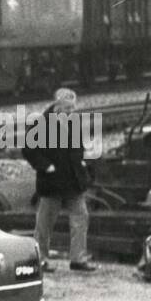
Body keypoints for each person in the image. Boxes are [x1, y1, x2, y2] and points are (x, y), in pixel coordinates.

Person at [21, 87, 97, 272]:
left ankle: (78, 259)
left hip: (73, 181)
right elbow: (28, 149)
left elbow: (78, 147)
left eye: (73, 108)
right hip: (52, 181)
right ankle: (41, 259)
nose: (71, 112)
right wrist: (46, 166)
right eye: (67, 108)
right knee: (45, 223)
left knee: (81, 217)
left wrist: (82, 163)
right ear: (57, 106)